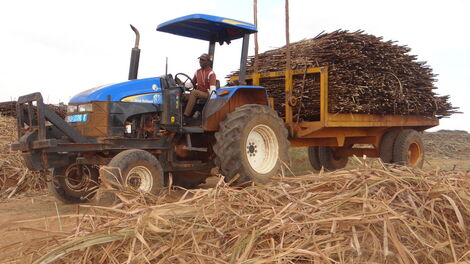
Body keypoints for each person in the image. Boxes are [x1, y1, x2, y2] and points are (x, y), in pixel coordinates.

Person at [183, 53, 216, 119]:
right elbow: (192, 83)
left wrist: (212, 99)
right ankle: (179, 116)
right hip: (198, 93)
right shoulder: (197, 72)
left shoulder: (211, 73)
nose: (200, 61)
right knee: (182, 95)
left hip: (207, 94)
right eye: (200, 59)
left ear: (208, 62)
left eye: (203, 60)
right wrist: (182, 84)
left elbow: (212, 89)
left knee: (194, 92)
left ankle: (185, 116)